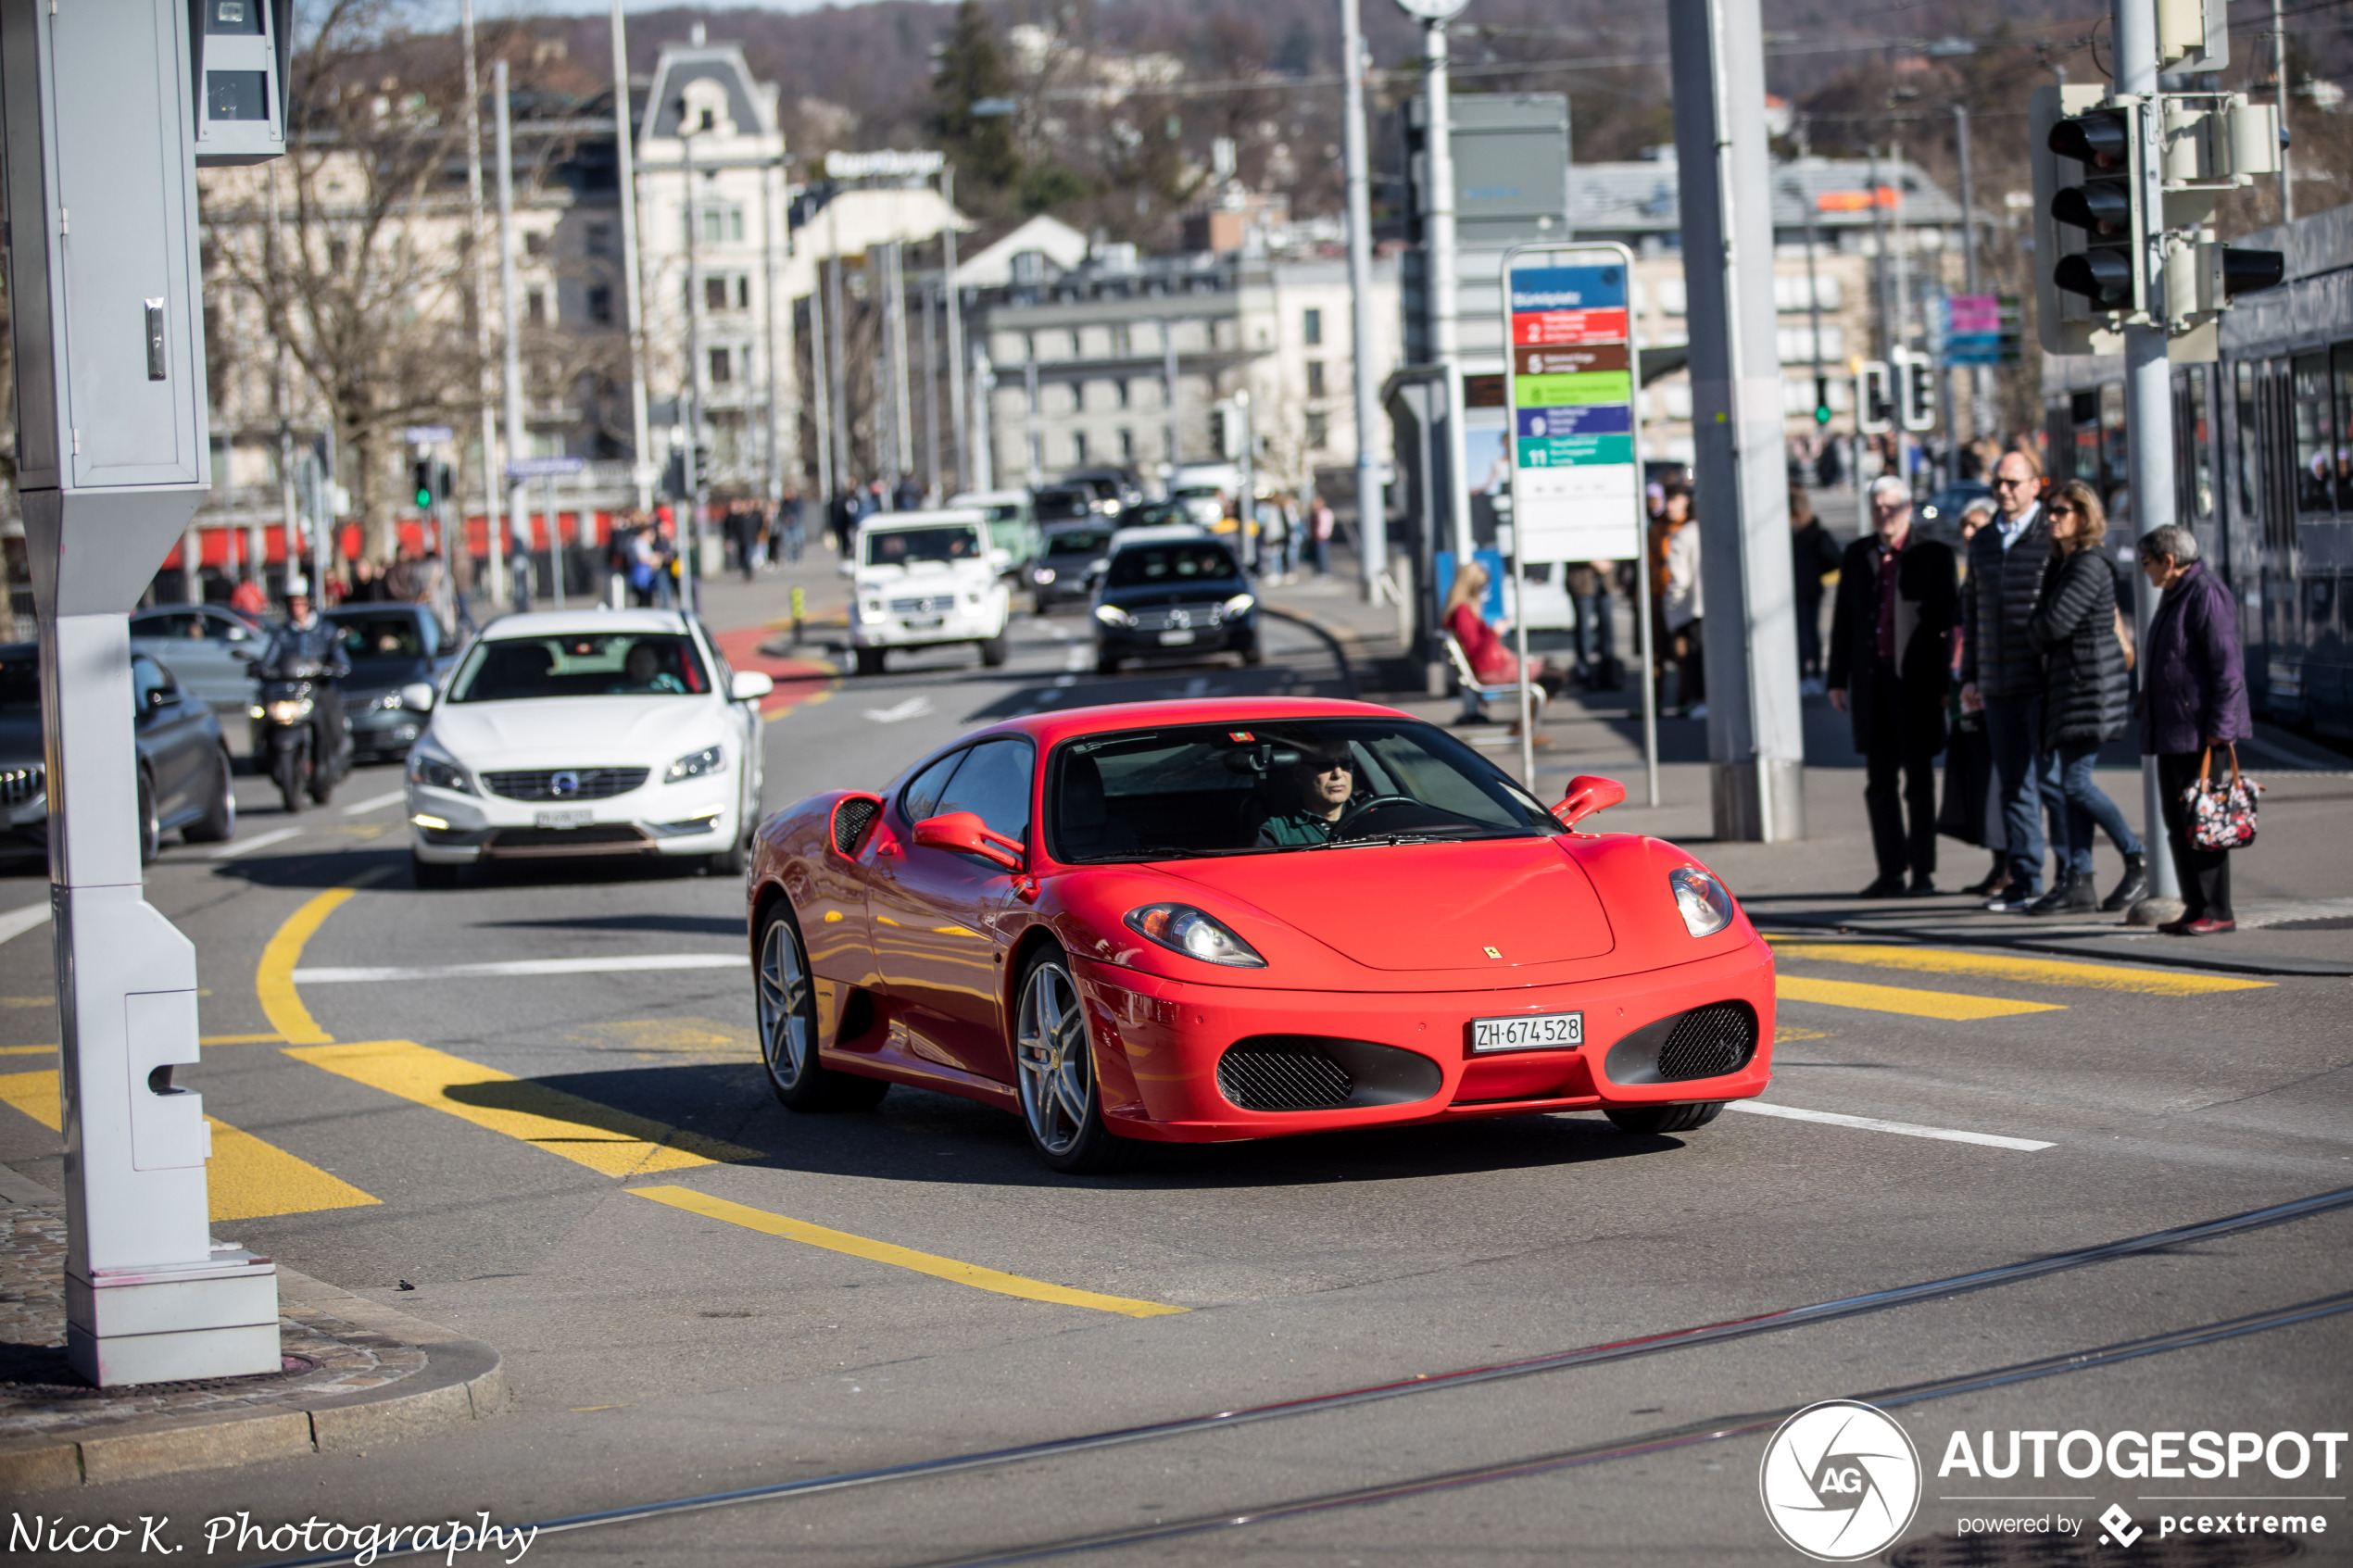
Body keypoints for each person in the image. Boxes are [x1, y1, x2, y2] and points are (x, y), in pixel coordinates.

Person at [1828, 476, 1957, 897]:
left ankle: (1923, 872)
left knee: (1918, 781)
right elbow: (1843, 621)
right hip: (1871, 683)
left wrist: (1945, 685)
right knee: (1878, 782)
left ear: (1908, 508)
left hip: (1916, 684)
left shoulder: (1932, 555)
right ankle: (1890, 872)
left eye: (1892, 506)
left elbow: (1947, 624)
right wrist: (1836, 678)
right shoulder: (1858, 554)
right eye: (1878, 506)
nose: (1885, 514)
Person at [2024, 482, 2145, 916]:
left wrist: (2034, 626)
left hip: (2088, 686)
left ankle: (2137, 857)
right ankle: (2079, 880)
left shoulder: (2088, 564)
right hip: (2073, 687)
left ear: (2083, 516)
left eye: (2061, 511)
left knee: (2073, 783)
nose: (2051, 518)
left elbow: (2051, 626)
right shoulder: (2065, 562)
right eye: (2049, 510)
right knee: (2069, 785)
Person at [2137, 524, 2250, 935]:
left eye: (2146, 561)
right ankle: (2196, 906)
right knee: (2181, 821)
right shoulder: (2177, 592)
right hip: (2174, 730)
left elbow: (2228, 668)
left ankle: (2217, 911)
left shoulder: (2205, 593)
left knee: (2204, 824)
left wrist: (2222, 727)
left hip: (2199, 734)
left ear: (2168, 561)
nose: (2143, 570)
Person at [1960, 448, 2060, 911]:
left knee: (2057, 784)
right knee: (2014, 785)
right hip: (1998, 684)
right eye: (1998, 482)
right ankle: (2025, 880)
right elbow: (1974, 613)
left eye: (2013, 483)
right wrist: (1971, 676)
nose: (2003, 491)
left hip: (2042, 683)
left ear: (2036, 485)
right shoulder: (1983, 542)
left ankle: (2075, 874)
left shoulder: (2051, 536)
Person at [1942, 496, 2009, 897]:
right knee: (1980, 782)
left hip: (1992, 690)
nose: (1969, 533)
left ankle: (2012, 867)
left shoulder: (1994, 571)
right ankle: (1998, 865)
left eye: (1977, 525)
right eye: (1965, 526)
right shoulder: (1973, 573)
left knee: (2003, 783)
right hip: (1965, 690)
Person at [1442, 559, 1559, 736]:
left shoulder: (1461, 611)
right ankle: (1525, 728)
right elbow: (1477, 650)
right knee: (1554, 677)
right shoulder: (1462, 613)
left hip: (1492, 665)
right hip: (1489, 670)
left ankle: (1525, 726)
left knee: (1551, 672)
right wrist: (1495, 632)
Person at [258, 575, 351, 774]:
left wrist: (330, 669)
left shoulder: (325, 631)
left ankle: (330, 763)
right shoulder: (283, 634)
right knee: (262, 713)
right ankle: (266, 757)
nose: (296, 608)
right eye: (292, 603)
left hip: (317, 689)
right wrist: (262, 669)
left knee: (330, 718)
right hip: (290, 692)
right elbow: (269, 659)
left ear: (308, 603)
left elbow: (341, 661)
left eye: (301, 603)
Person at [1790, 483, 1843, 693]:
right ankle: (1815, 675)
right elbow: (1834, 558)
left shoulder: (1792, 533)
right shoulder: (1815, 529)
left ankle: (1804, 673)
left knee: (1802, 632)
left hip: (1796, 588)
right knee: (1812, 631)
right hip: (1813, 586)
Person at [1255, 745, 1361, 847]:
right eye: (1325, 765)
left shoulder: (1370, 817)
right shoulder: (1277, 833)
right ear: (1299, 774)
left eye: (1347, 764)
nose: (1338, 774)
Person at [1662, 483, 1705, 719]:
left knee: (1695, 657)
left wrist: (1673, 603)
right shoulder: (1715, 530)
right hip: (1717, 605)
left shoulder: (1684, 535)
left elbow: (1679, 578)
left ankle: (1701, 699)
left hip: (1693, 605)